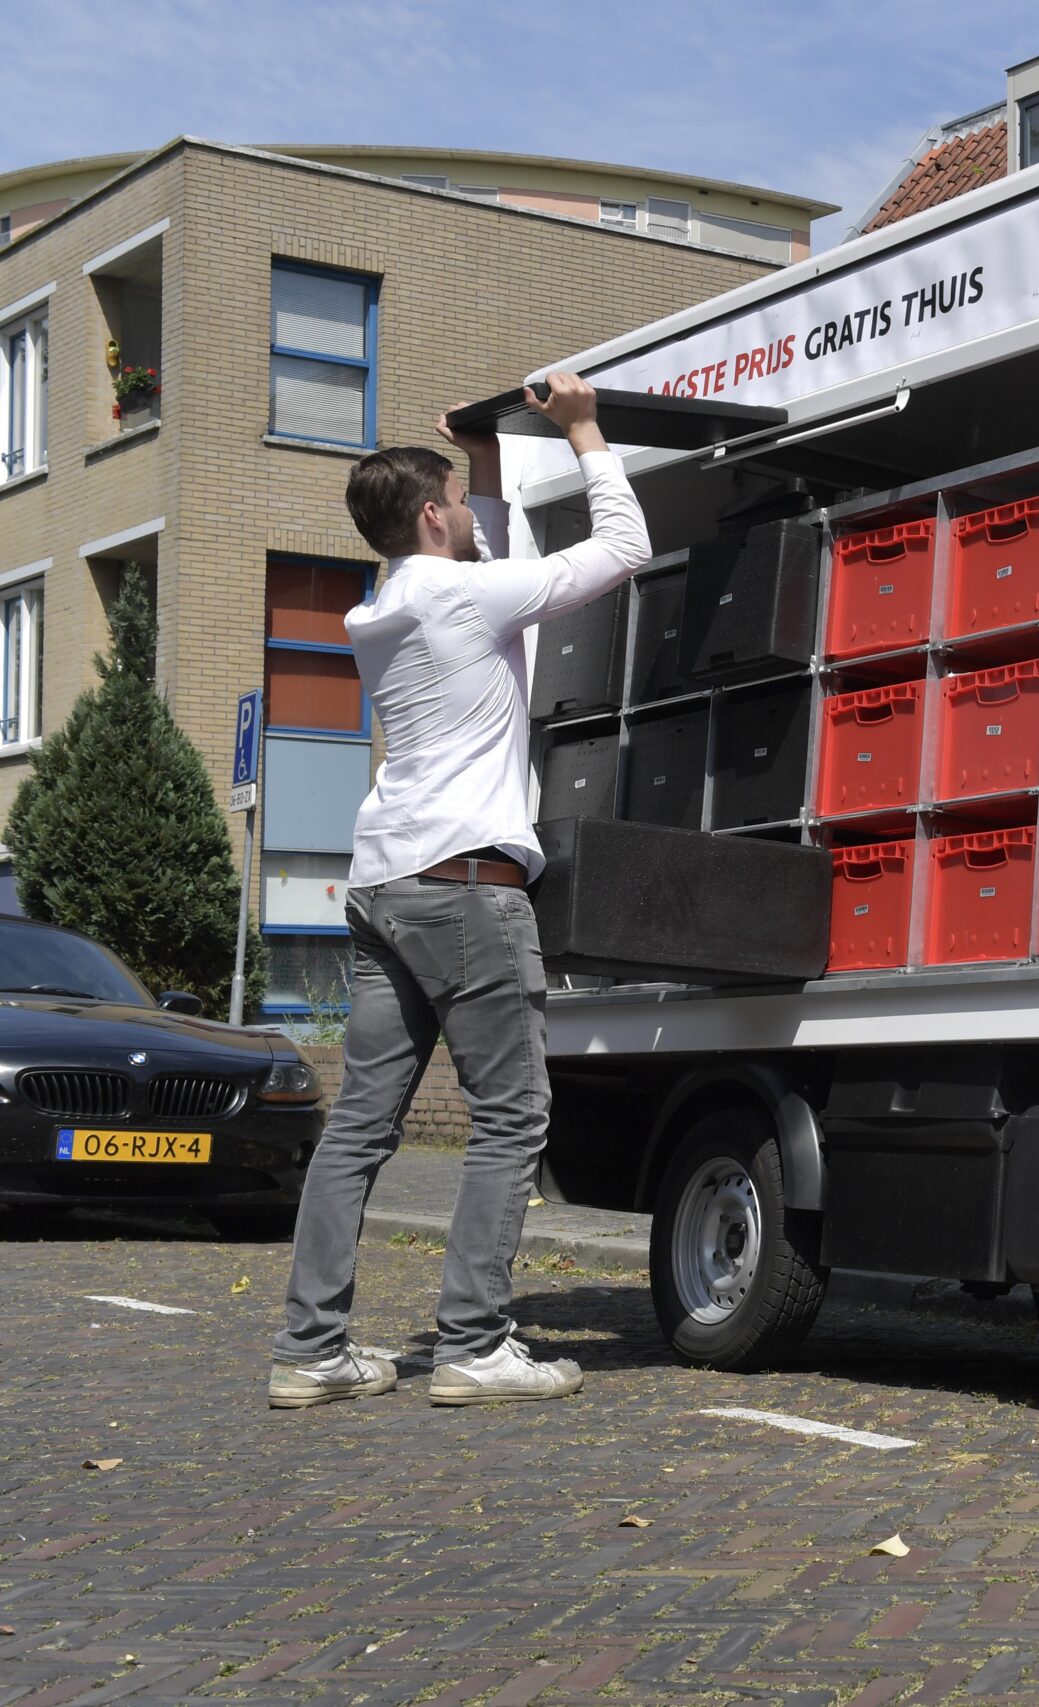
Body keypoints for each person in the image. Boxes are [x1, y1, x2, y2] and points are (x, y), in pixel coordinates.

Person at [268, 373, 650, 1408]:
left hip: (384, 879)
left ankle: (312, 1352)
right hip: (467, 889)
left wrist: (478, 462)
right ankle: (476, 1345)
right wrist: (581, 429)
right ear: (431, 517)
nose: (470, 516)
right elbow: (622, 551)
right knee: (513, 1117)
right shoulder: (463, 596)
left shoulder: (386, 605)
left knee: (359, 1127)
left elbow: (486, 550)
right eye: (458, 500)